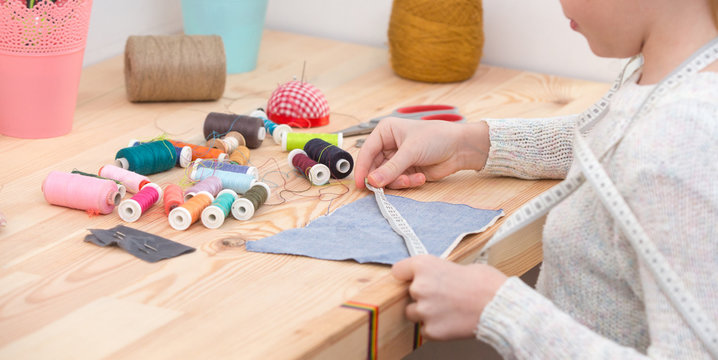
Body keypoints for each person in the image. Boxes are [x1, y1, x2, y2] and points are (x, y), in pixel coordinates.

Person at [354, 0, 718, 358]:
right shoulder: (668, 83)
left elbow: (660, 155)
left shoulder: (685, 139)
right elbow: (614, 139)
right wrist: (468, 145)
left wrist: (501, 310)